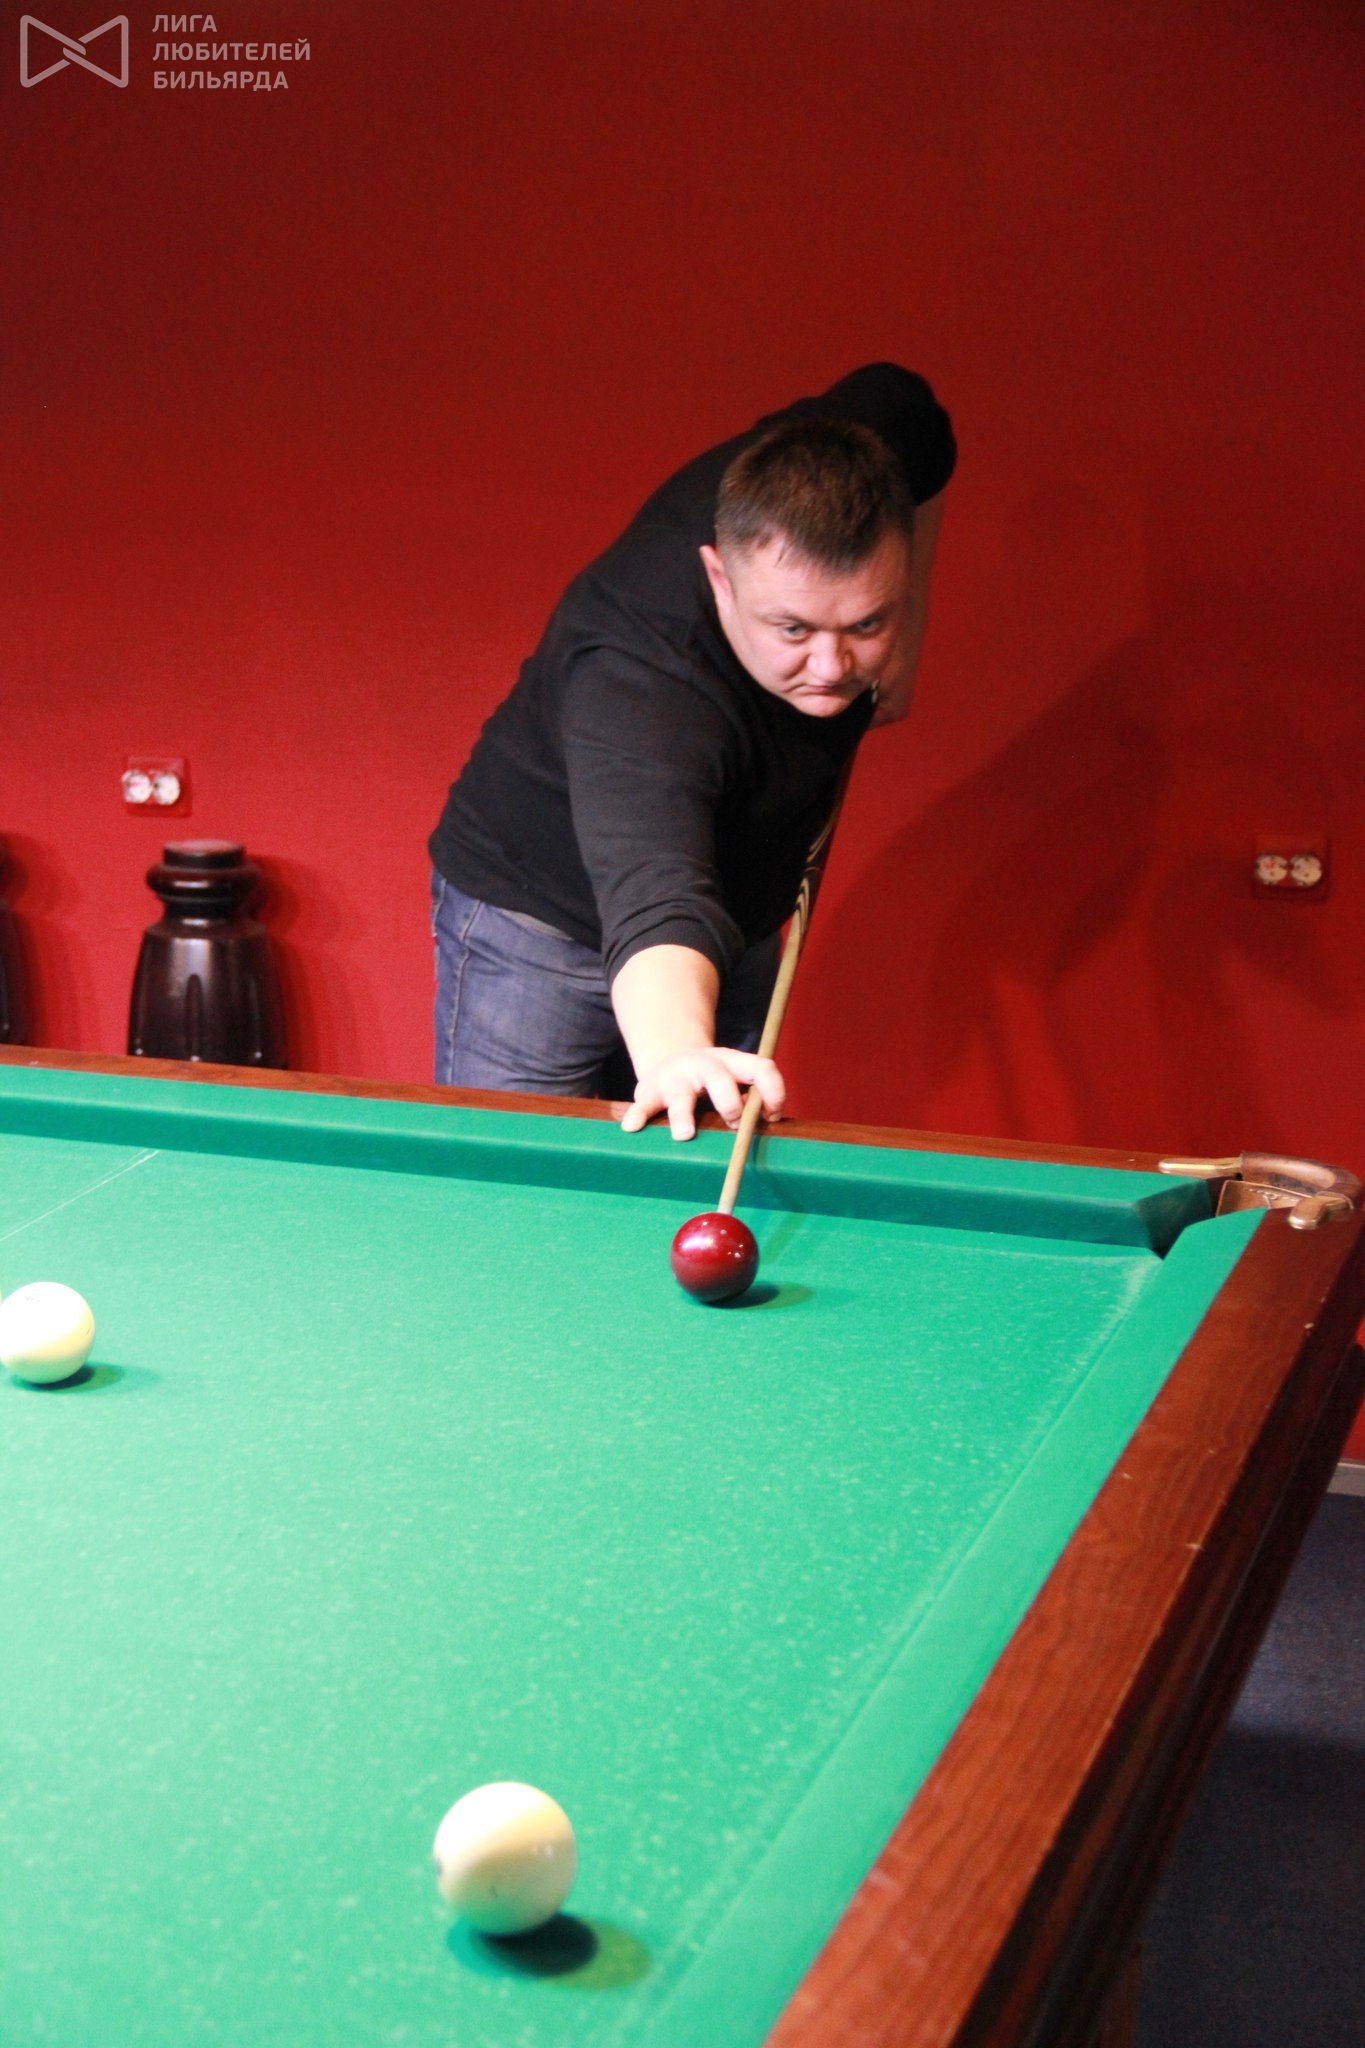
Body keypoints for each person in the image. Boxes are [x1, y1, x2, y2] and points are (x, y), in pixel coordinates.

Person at [429, 362, 955, 1138]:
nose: (831, 666)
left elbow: (908, 408)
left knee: (694, 1166)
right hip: (541, 923)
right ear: (720, 578)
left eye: (865, 623)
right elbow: (655, 893)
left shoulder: (855, 458)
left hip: (736, 908)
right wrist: (677, 1052)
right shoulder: (643, 684)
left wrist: (903, 643)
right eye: (793, 629)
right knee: (512, 1178)